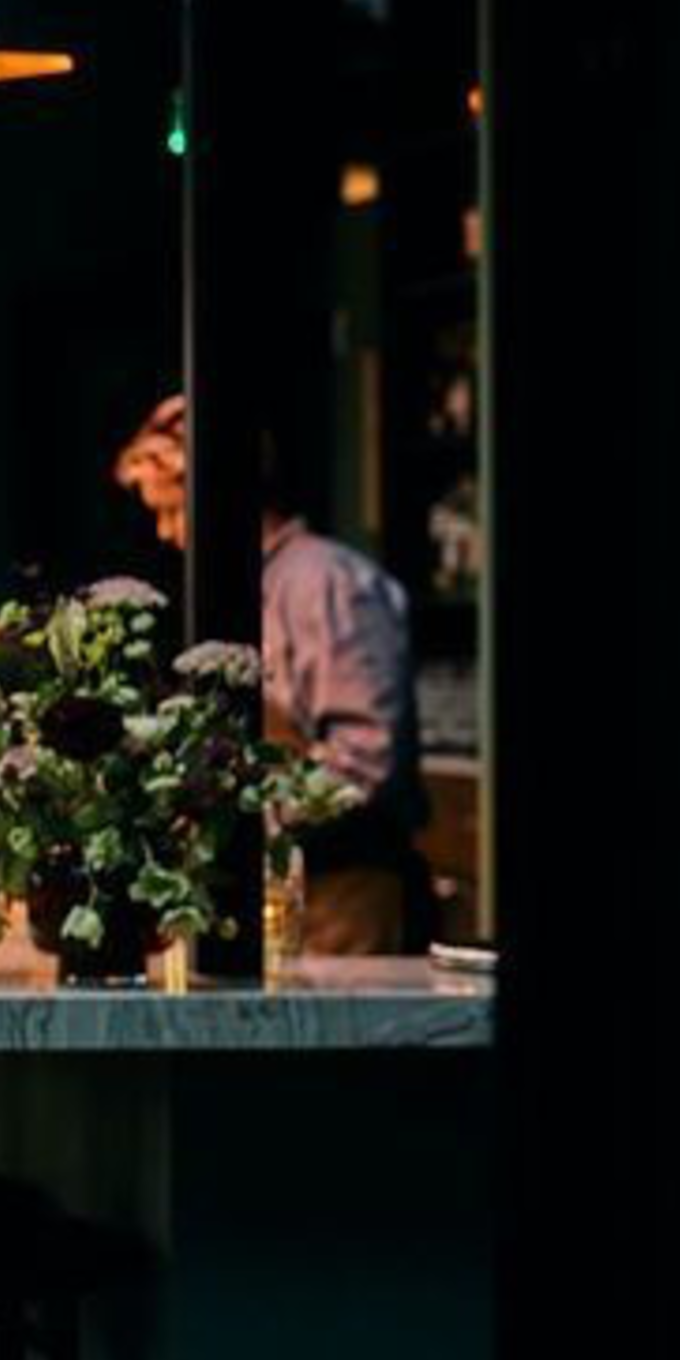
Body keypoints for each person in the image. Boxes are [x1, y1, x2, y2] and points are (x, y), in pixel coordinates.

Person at [112, 395, 428, 951]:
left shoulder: (324, 584)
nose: (164, 533)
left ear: (215, 494)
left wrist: (235, 820)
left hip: (345, 898)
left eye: (170, 509)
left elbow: (367, 760)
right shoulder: (246, 591)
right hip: (283, 895)